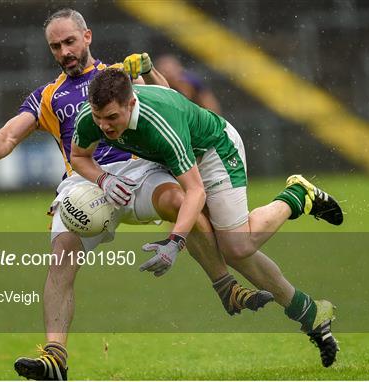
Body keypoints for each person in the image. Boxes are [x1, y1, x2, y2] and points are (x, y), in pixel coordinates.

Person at [0, 8, 272, 381]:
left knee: (181, 201)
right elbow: (9, 134)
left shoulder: (116, 78)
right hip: (86, 182)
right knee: (62, 252)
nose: (64, 52)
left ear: (87, 37)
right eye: (55, 46)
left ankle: (227, 288)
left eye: (69, 42)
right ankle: (55, 357)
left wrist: (146, 71)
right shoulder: (48, 96)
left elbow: (170, 102)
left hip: (139, 171)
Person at [71, 68, 345, 369]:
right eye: (99, 117)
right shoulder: (91, 116)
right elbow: (80, 156)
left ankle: (298, 195)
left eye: (111, 118)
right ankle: (311, 314)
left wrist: (175, 242)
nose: (103, 126)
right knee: (230, 251)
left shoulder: (161, 125)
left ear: (131, 104)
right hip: (171, 161)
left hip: (214, 152)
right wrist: (103, 180)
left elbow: (196, 191)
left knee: (237, 247)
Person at [155, 53, 222, 113]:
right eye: (165, 71)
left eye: (171, 70)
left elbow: (212, 108)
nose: (169, 74)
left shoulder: (192, 83)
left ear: (179, 69)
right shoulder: (156, 89)